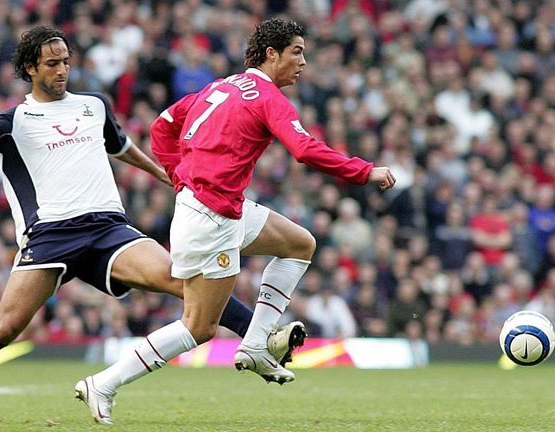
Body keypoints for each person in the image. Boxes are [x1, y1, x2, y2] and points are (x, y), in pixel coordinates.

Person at [0, 26, 303, 410]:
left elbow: (121, 147)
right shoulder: (15, 120)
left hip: (108, 229)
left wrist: (163, 172)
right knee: (4, 328)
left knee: (184, 282)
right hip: (50, 235)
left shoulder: (93, 106)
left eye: (66, 63)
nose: (61, 71)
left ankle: (262, 337)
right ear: (30, 68)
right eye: (52, 64)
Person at [75, 18, 395, 425]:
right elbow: (303, 148)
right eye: (296, 52)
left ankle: (257, 345)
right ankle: (104, 383)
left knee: (300, 243)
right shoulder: (268, 97)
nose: (303, 61)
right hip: (212, 217)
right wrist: (363, 171)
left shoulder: (219, 85)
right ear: (271, 54)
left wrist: (179, 176)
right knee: (198, 327)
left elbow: (163, 125)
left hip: (221, 206)